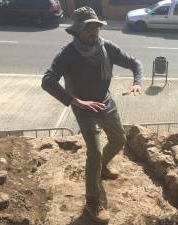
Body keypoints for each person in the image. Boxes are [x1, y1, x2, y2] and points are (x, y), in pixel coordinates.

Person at [41, 6, 142, 223]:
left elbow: (135, 63)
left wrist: (137, 82)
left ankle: (101, 168)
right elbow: (47, 81)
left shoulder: (106, 47)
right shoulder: (67, 54)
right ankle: (92, 202)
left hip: (105, 102)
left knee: (118, 140)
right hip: (84, 108)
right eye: (88, 29)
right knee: (94, 152)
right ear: (77, 31)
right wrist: (75, 101)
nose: (94, 32)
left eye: (96, 27)